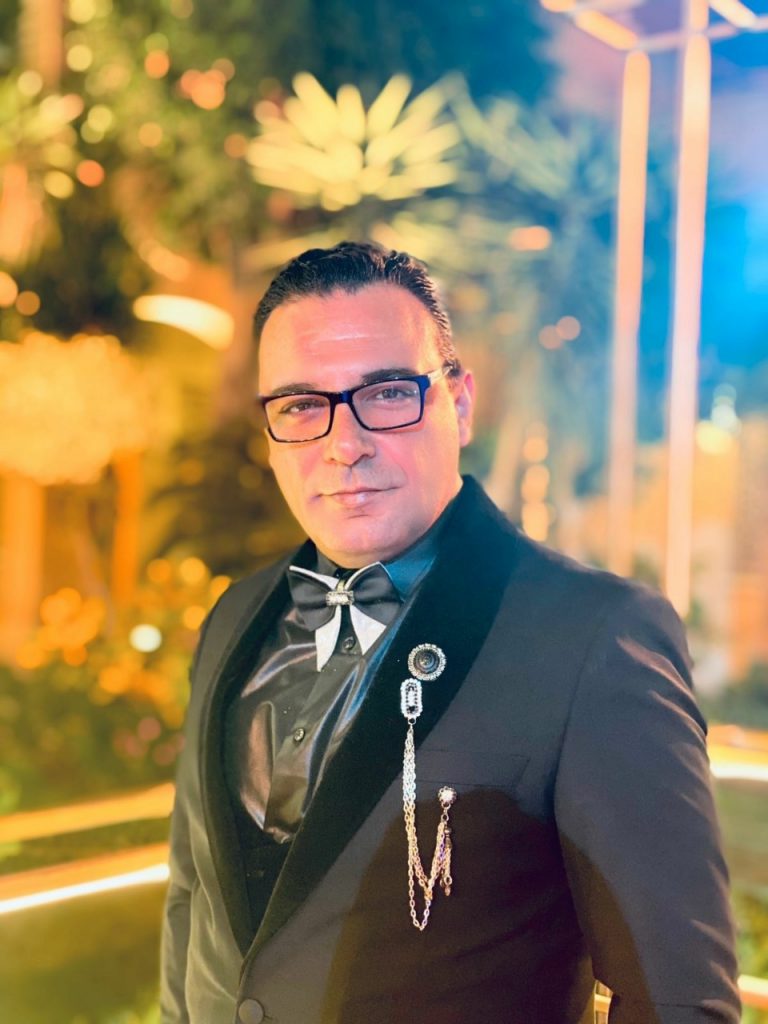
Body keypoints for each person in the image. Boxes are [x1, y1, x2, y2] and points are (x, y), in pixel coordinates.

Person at [161, 241, 740, 1024]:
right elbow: (192, 906)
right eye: (300, 406)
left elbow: (679, 1003)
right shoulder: (234, 616)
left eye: (387, 394)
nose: (344, 444)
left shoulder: (592, 638)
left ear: (459, 404)